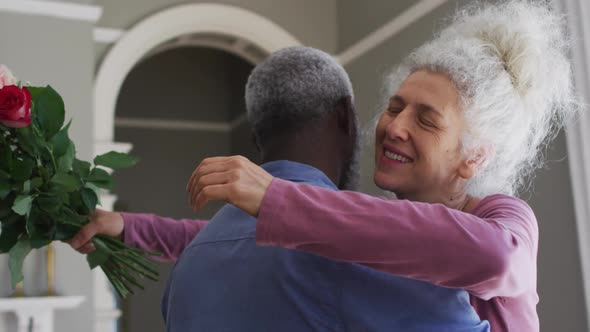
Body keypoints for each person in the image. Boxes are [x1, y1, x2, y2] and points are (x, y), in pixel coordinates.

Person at [185, 2, 579, 332]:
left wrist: (278, 199)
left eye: (426, 120)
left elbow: (498, 259)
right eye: (395, 107)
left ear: (474, 156)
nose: (394, 127)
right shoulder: (375, 228)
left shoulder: (505, 215)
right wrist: (133, 229)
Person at [71, 47, 490, 331]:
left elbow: (205, 236)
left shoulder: (189, 267)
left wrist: (127, 225)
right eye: (394, 110)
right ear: (345, 118)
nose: (396, 128)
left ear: (256, 139)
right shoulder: (367, 251)